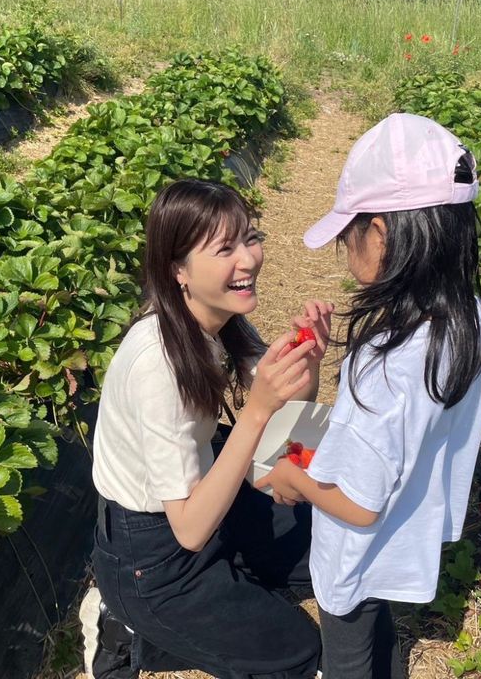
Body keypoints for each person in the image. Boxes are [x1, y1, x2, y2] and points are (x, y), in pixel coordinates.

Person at [255, 113, 481, 679]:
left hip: (354, 550)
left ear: (382, 234)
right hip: (403, 538)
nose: (345, 248)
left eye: (349, 233)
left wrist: (290, 478)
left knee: (348, 654)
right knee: (380, 636)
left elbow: (359, 503)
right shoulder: (475, 322)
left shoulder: (390, 361)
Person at [83, 178, 333, 679]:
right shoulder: (158, 364)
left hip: (211, 486)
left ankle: (230, 579)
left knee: (327, 554)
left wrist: (307, 372)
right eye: (224, 249)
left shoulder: (221, 319)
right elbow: (191, 530)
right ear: (177, 270)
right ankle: (124, 628)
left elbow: (283, 439)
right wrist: (257, 410)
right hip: (154, 553)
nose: (248, 259)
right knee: (301, 654)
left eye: (250, 238)